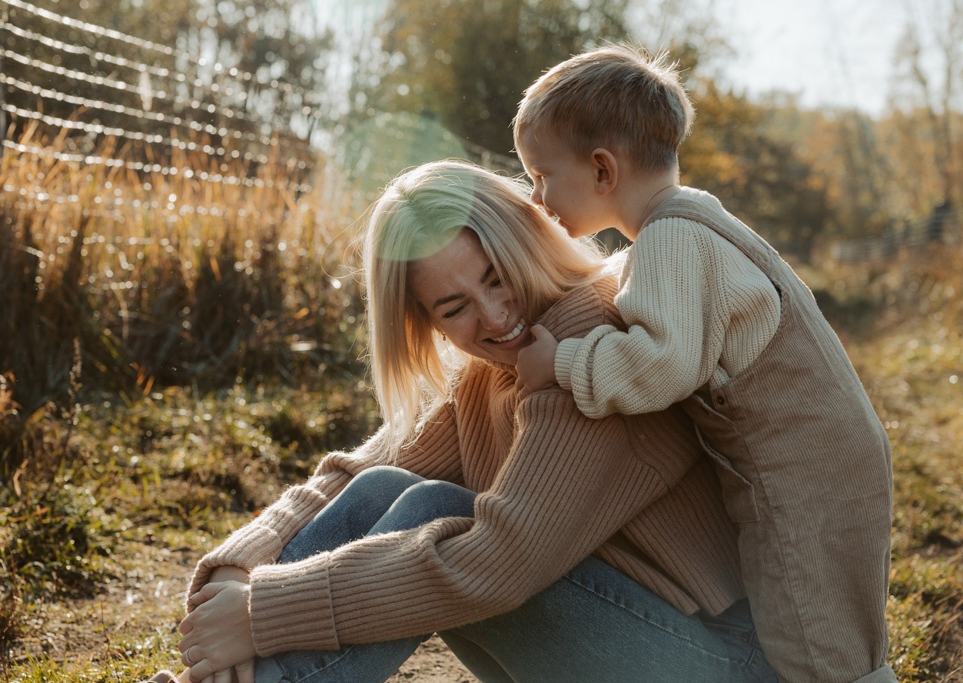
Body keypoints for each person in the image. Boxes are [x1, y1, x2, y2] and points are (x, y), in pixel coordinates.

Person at [142, 160, 779, 683]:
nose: (496, 317)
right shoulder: (495, 375)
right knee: (384, 493)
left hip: (716, 660)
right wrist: (243, 562)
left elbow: (496, 564)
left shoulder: (590, 341)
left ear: (526, 240)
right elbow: (369, 473)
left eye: (498, 278)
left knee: (436, 515)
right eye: (455, 308)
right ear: (427, 323)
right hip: (638, 641)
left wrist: (263, 611)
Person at [512, 43, 896, 683]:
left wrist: (562, 362)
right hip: (829, 451)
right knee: (833, 617)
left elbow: (661, 363)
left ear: (603, 170)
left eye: (542, 175)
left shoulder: (670, 238)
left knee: (812, 635)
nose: (535, 196)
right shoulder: (700, 221)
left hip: (797, 466)